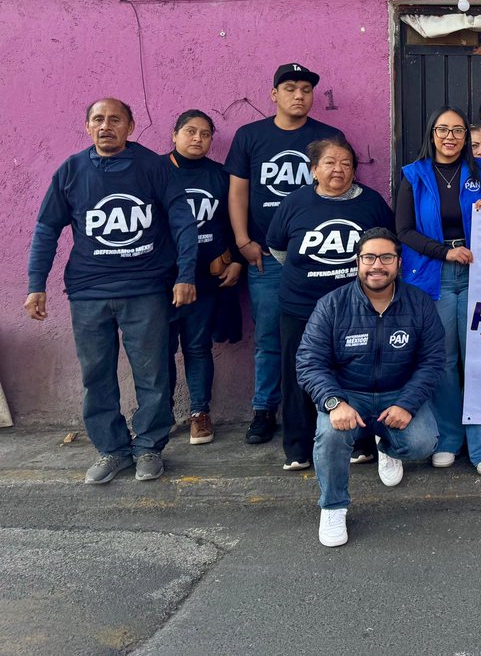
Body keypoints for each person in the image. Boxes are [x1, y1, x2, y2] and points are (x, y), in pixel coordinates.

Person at [25, 98, 198, 484]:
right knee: (96, 376)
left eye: (115, 119)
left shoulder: (153, 167)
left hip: (146, 290)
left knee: (153, 374)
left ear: (130, 126)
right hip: (88, 293)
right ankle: (112, 450)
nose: (106, 126)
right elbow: (46, 230)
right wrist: (37, 285)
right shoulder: (71, 171)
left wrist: (185, 275)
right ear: (88, 127)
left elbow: (183, 223)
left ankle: (149, 447)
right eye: (98, 119)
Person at [295, 228, 444, 547]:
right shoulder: (332, 305)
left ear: (399, 264)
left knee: (422, 442)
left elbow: (433, 361)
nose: (377, 265)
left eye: (386, 257)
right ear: (358, 262)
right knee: (331, 436)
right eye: (369, 257)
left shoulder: (418, 303)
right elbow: (309, 361)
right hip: (349, 395)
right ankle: (333, 506)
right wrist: (334, 402)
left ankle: (385, 446)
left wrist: (408, 403)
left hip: (397, 395)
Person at [226, 63, 343, 446]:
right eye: (290, 88)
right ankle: (264, 409)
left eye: (306, 89)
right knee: (271, 338)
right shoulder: (250, 136)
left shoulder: (329, 136)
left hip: (321, 257)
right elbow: (238, 191)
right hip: (266, 258)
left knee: (332, 337)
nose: (299, 95)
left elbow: (341, 190)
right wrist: (243, 241)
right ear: (273, 94)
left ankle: (328, 405)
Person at [265, 137, 395, 471]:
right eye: (330, 163)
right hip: (300, 306)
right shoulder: (295, 203)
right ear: (313, 170)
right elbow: (279, 248)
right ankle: (298, 448)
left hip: (357, 308)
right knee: (298, 375)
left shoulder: (371, 203)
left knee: (357, 373)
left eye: (346, 163)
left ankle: (362, 443)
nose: (338, 169)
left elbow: (387, 247)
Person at [396, 107, 481, 475]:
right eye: (443, 129)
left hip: (479, 272)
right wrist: (445, 252)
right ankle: (448, 438)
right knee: (442, 361)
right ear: (431, 134)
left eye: (458, 130)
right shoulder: (413, 175)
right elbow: (405, 231)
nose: (450, 136)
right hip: (433, 274)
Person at [164, 109, 243, 445]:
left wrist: (235, 259)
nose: (197, 139)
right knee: (160, 349)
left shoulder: (219, 176)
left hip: (206, 280)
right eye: (190, 131)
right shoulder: (156, 172)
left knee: (197, 347)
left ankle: (200, 413)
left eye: (205, 133)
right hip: (161, 280)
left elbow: (235, 221)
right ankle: (160, 414)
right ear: (175, 134)